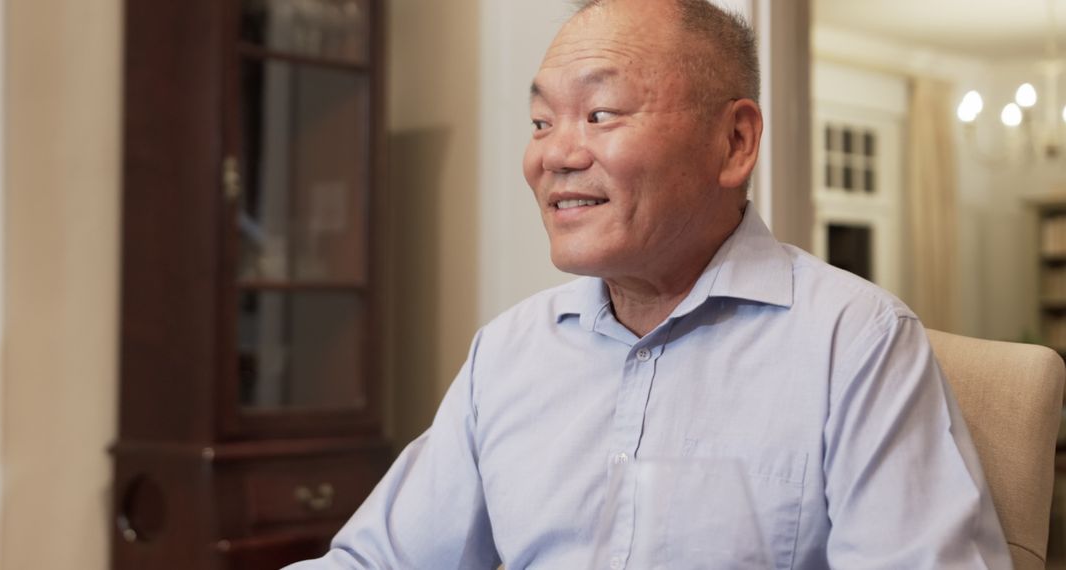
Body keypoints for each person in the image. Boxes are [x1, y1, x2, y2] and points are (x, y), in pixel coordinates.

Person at [287, 0, 1011, 568]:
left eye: (600, 114)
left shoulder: (856, 343)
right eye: (540, 121)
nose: (554, 155)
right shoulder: (505, 355)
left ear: (735, 142)